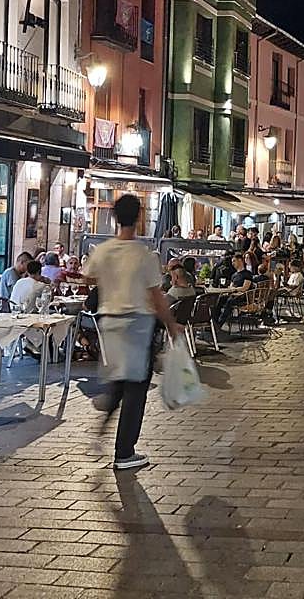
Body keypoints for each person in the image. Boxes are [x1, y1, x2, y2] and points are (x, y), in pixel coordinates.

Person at [84, 195, 181, 470]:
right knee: (136, 388)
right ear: (139, 217)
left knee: (121, 380)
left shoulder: (103, 250)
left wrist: (111, 279)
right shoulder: (144, 255)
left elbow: (88, 276)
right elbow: (157, 296)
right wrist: (171, 324)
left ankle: (103, 429)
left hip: (110, 323)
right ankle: (124, 452)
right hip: (137, 324)